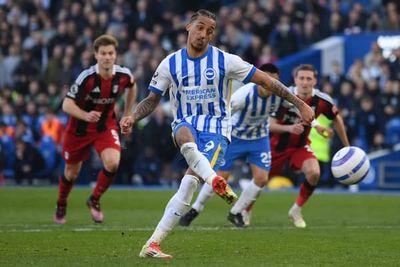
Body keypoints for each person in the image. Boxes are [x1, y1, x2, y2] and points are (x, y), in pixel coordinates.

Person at [120, 10, 314, 259]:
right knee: (183, 133)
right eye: (200, 28)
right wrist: (132, 117)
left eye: (210, 31)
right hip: (185, 123)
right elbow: (151, 99)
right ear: (188, 26)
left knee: (189, 184)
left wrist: (300, 103)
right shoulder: (170, 63)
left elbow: (267, 81)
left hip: (217, 130)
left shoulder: (226, 61)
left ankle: (152, 244)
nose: (204, 34)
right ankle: (214, 180)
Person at [179, 63, 281, 228]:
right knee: (220, 177)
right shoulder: (244, 95)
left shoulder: (280, 94)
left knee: (262, 179)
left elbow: (295, 105)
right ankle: (196, 208)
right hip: (235, 137)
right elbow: (223, 113)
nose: (269, 85)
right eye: (266, 81)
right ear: (259, 80)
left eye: (273, 82)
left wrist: (313, 124)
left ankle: (236, 212)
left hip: (259, 138)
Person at [53, 34, 137, 224]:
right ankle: (61, 203)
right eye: (103, 53)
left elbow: (132, 86)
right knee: (71, 174)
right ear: (96, 55)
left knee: (113, 162)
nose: (107, 57)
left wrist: (127, 113)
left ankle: (94, 199)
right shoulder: (86, 78)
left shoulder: (124, 75)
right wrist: (85, 115)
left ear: (115, 55)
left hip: (104, 126)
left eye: (111, 53)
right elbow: (66, 104)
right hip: (79, 129)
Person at [268, 64, 350, 228]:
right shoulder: (282, 96)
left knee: (314, 173)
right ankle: (244, 211)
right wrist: (290, 128)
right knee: (260, 180)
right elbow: (269, 125)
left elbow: (337, 118)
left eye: (308, 79)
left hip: (300, 146)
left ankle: (296, 210)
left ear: (315, 81)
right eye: (301, 78)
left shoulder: (322, 100)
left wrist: (347, 146)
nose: (305, 82)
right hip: (275, 146)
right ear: (295, 79)